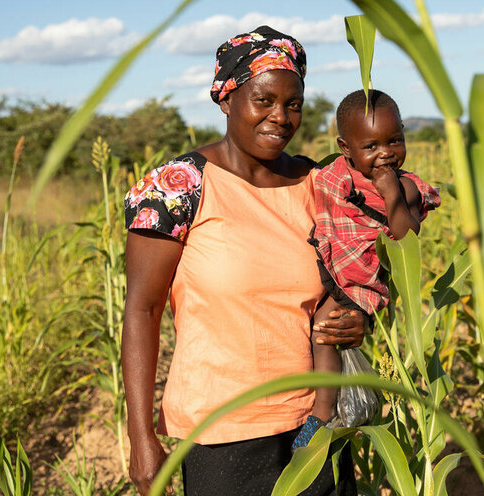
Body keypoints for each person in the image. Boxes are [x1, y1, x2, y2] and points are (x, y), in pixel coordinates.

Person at [122, 26, 364, 496]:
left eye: (293, 104)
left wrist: (357, 320)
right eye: (264, 100)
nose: (281, 117)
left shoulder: (317, 184)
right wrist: (140, 435)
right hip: (221, 435)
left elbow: (351, 278)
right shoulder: (178, 186)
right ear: (226, 99)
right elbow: (142, 309)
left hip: (315, 423)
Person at [294, 89, 440, 446]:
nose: (385, 153)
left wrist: (391, 194)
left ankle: (322, 412)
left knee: (324, 329)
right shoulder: (337, 176)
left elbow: (406, 239)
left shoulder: (405, 186)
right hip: (336, 265)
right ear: (346, 148)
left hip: (361, 276)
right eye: (370, 146)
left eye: (394, 140)